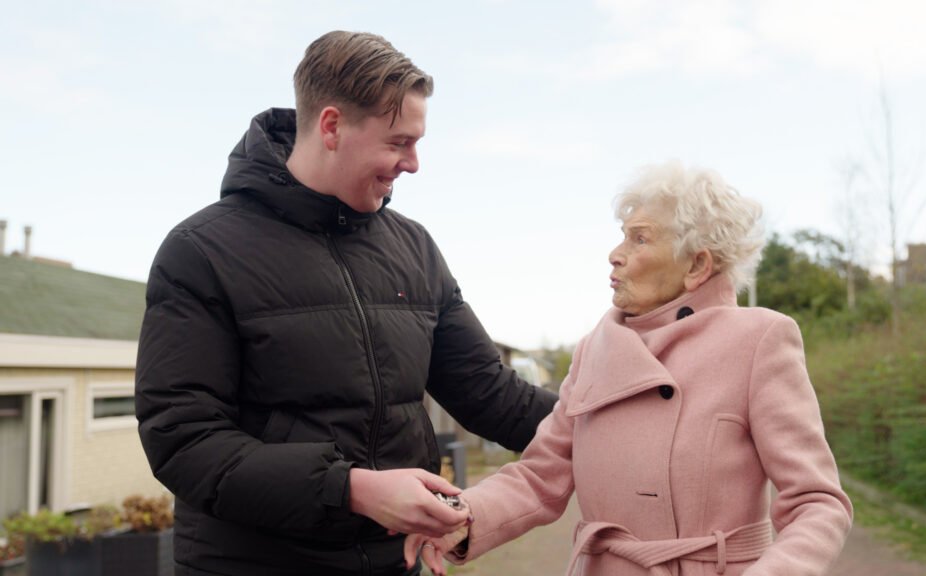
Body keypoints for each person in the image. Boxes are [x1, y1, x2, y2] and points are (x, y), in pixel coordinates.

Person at [135, 30, 556, 576]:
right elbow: (183, 439)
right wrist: (351, 489)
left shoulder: (414, 248)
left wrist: (611, 422)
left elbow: (490, 393)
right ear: (332, 126)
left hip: (394, 563)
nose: (413, 163)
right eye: (399, 142)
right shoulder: (201, 251)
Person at [406, 161, 853, 576]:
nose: (614, 254)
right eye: (623, 236)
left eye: (639, 239)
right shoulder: (594, 350)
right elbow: (541, 475)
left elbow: (817, 503)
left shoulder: (758, 340)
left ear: (697, 264)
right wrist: (460, 517)